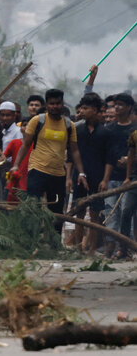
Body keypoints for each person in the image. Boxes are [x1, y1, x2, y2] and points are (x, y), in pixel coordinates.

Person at [10, 89, 88, 232]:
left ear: (62, 103)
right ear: (46, 104)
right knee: (33, 207)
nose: (54, 106)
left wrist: (81, 173)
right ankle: (30, 240)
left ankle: (54, 245)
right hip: (37, 170)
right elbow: (26, 144)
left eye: (57, 103)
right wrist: (15, 165)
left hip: (58, 174)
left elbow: (75, 150)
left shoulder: (69, 125)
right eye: (51, 103)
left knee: (56, 211)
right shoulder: (37, 121)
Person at [64, 92, 108, 252]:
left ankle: (92, 249)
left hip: (98, 176)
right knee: (79, 212)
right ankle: (78, 248)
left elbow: (108, 159)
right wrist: (69, 177)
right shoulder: (77, 130)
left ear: (96, 110)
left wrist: (105, 179)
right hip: (79, 176)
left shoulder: (104, 132)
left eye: (86, 108)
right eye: (81, 108)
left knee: (95, 214)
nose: (82, 111)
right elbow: (70, 156)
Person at [99, 92, 136, 258]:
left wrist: (130, 160)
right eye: (115, 105)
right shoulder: (108, 129)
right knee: (111, 213)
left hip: (131, 178)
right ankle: (111, 249)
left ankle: (125, 247)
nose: (117, 108)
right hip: (112, 176)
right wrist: (105, 179)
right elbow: (106, 155)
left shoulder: (134, 130)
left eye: (120, 105)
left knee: (126, 213)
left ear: (129, 107)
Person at [4, 119, 32, 203]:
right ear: (20, 128)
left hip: (30, 182)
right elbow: (3, 157)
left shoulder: (38, 145)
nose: (27, 127)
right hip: (15, 180)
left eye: (30, 125)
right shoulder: (14, 143)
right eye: (24, 125)